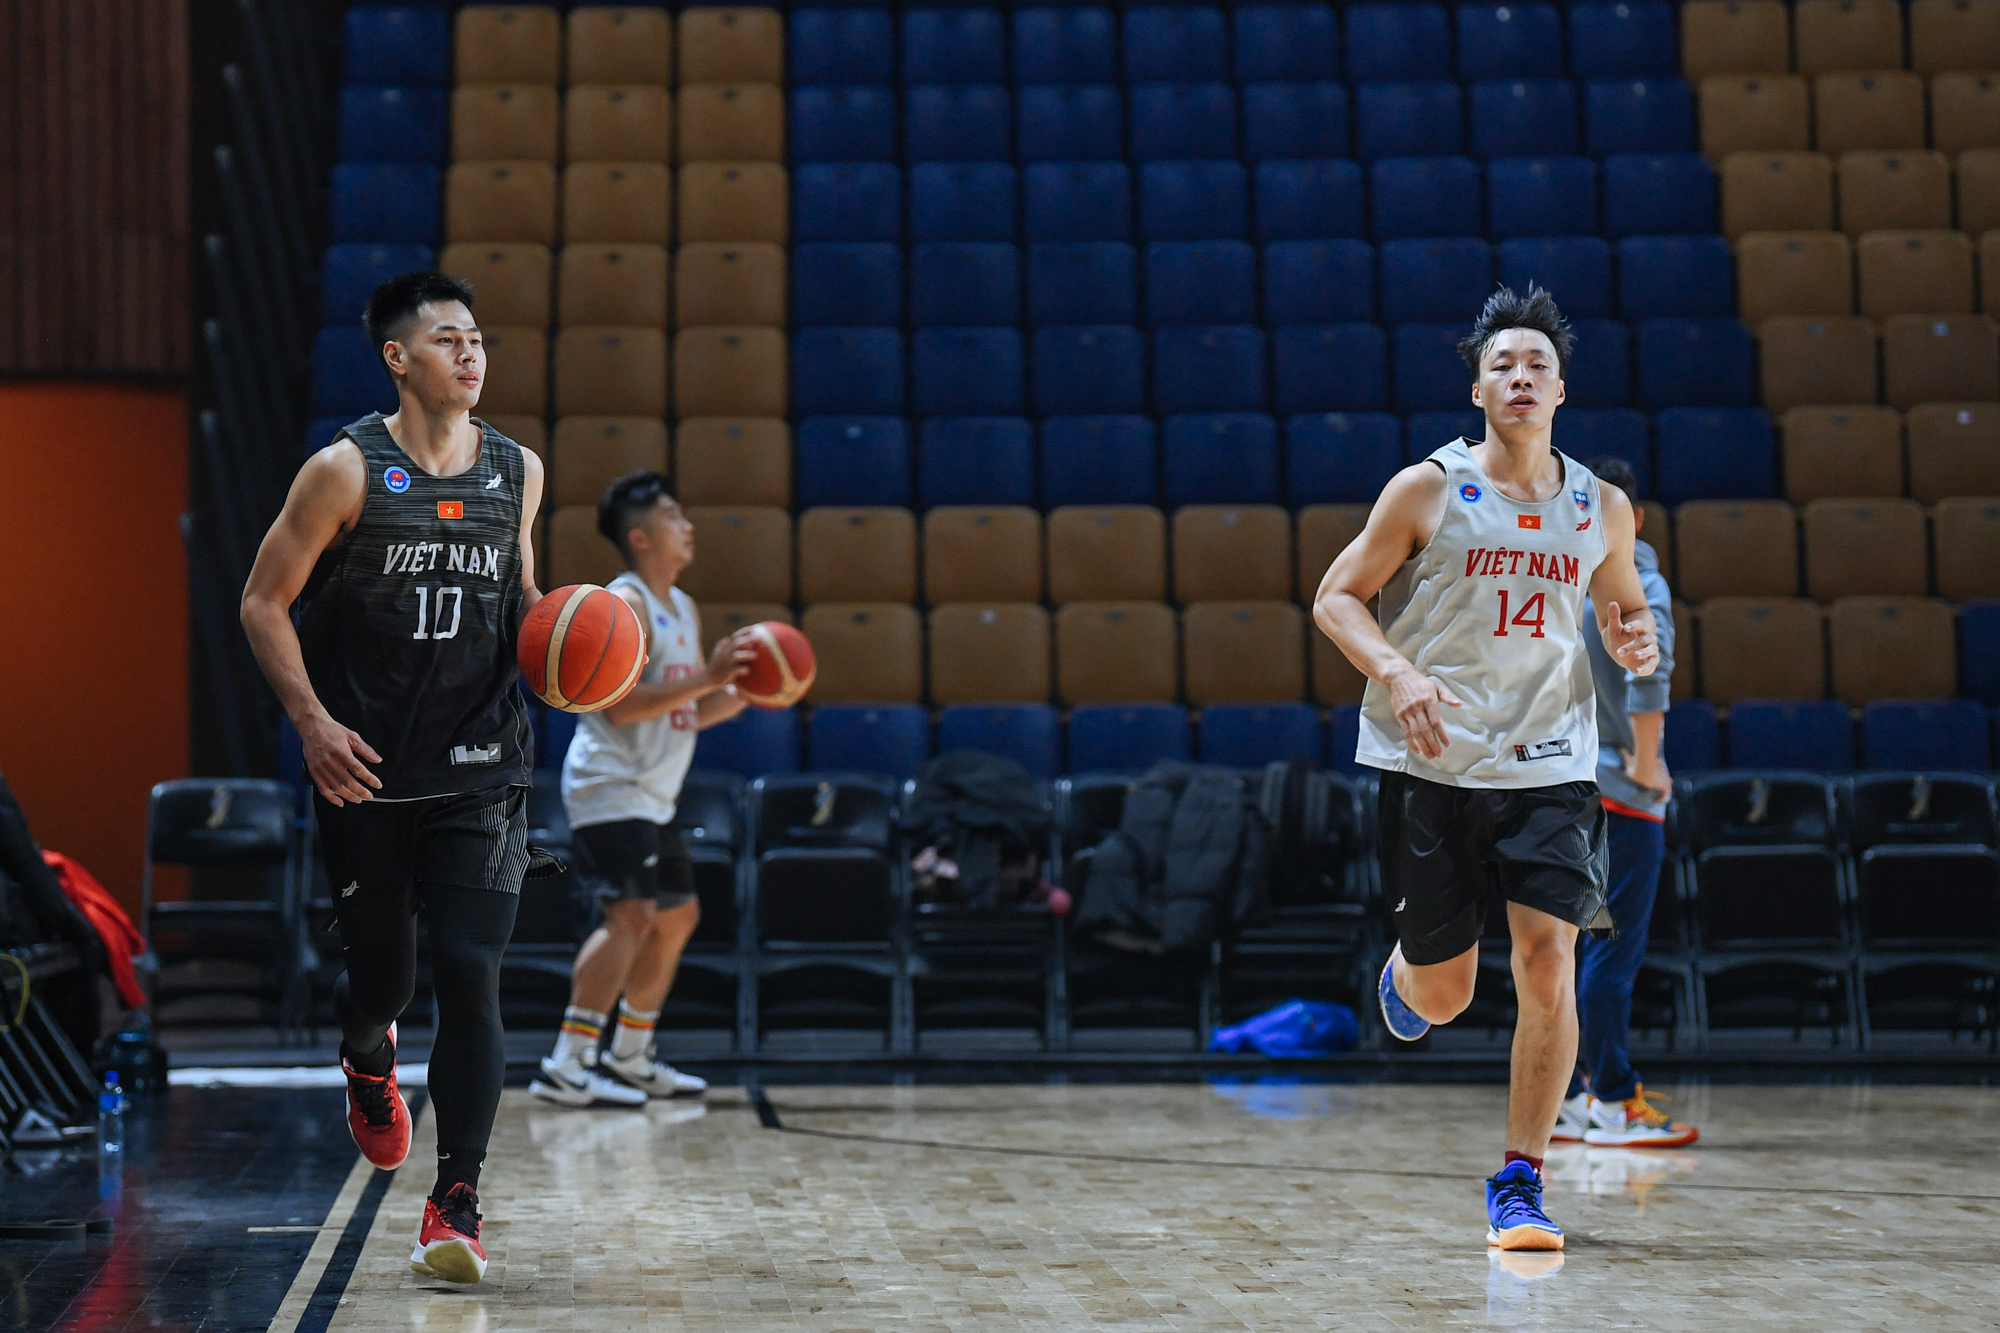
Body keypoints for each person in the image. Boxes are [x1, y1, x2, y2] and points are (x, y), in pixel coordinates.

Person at [1312, 285, 1660, 1252]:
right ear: (1477, 388)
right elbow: (1336, 598)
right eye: (1501, 364)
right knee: (1445, 995)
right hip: (1433, 765)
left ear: (1560, 389)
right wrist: (1397, 668)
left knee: (1551, 958)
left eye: (1535, 365)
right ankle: (1405, 975)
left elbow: (1626, 607)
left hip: (1550, 766)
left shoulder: (1603, 506)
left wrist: (1632, 641)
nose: (1519, 376)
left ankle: (1520, 1179)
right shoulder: (1426, 488)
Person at [241, 271, 541, 1284]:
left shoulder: (517, 471)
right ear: (396, 358)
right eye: (447, 339)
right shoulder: (343, 470)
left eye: (478, 339)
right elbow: (261, 604)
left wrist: (580, 662)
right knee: (388, 980)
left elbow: (530, 606)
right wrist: (313, 723)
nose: (470, 353)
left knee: (470, 967)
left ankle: (455, 1200)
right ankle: (368, 1052)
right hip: (365, 771)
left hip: (482, 769)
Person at [530, 471, 756, 1108]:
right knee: (631, 915)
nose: (688, 527)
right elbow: (620, 709)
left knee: (677, 915)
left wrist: (736, 695)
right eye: (674, 517)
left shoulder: (681, 607)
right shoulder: (620, 604)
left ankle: (630, 1054)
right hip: (610, 786)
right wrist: (707, 678)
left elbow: (683, 711)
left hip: (652, 795)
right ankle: (567, 1063)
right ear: (641, 537)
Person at [1549, 456, 1700, 1150]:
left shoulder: (1556, 576)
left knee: (1569, 948)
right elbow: (1652, 666)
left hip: (1561, 793)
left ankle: (1573, 1096)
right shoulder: (1637, 573)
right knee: (1611, 951)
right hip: (1622, 799)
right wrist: (1646, 759)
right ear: (1633, 518)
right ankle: (1612, 1099)